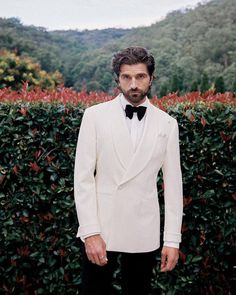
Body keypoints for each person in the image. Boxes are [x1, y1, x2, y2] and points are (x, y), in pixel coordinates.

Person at [74, 46, 183, 295]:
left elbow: (174, 186)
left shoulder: (168, 124)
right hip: (102, 228)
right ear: (117, 79)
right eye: (126, 77)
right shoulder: (94, 117)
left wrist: (172, 240)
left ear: (151, 78)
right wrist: (90, 232)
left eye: (140, 76)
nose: (133, 84)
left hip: (143, 230)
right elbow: (82, 180)